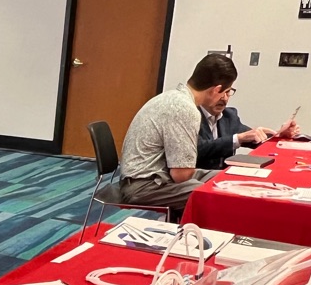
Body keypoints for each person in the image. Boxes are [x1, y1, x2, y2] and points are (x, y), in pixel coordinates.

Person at [119, 53, 238, 217]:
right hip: (144, 186)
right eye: (227, 91)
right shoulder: (185, 109)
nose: (226, 97)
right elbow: (181, 175)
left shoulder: (172, 97)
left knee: (227, 178)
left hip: (154, 177)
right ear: (217, 89)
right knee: (218, 195)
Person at [197, 79, 301, 170]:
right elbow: (200, 148)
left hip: (224, 177)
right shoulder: (191, 115)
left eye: (228, 92)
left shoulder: (229, 116)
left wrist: (279, 135)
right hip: (196, 178)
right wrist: (238, 138)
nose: (224, 98)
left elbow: (252, 137)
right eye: (220, 92)